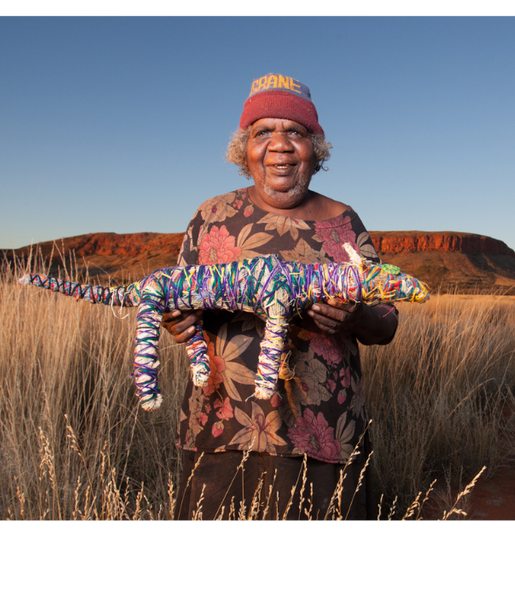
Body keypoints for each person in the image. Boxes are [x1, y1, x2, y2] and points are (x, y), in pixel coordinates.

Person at [160, 74, 398, 522]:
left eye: (295, 132)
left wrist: (355, 316)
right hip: (223, 425)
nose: (280, 144)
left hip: (323, 431)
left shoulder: (344, 223)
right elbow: (176, 303)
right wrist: (178, 323)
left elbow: (386, 322)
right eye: (262, 132)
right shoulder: (212, 217)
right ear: (243, 149)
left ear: (315, 147)